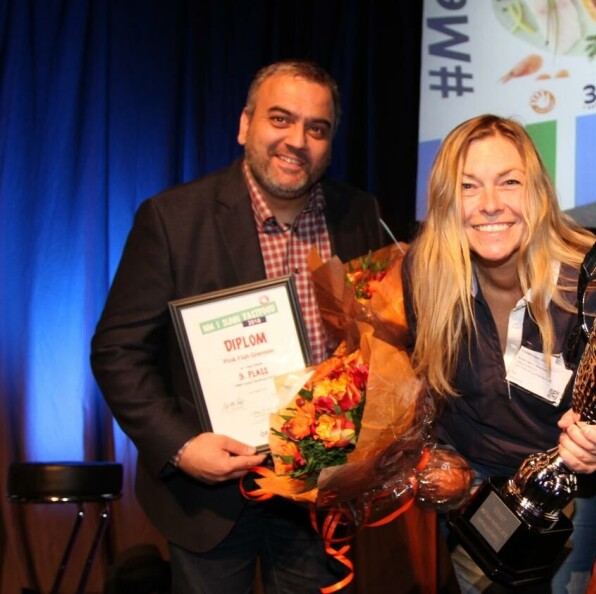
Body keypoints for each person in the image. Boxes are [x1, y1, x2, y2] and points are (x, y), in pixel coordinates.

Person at [90, 60, 385, 593]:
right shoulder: (172, 219)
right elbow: (117, 352)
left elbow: (379, 339)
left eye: (317, 129)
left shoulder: (359, 214)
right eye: (280, 119)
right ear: (246, 125)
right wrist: (181, 447)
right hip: (211, 495)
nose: (298, 140)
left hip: (317, 490)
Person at [403, 114, 596, 594]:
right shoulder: (425, 270)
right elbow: (427, 378)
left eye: (509, 182)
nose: (490, 205)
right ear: (448, 199)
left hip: (572, 486)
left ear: (538, 192)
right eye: (469, 186)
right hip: (476, 477)